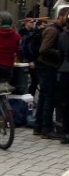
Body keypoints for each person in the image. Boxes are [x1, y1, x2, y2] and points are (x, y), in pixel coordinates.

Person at [34, 8, 66, 138]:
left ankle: (39, 126)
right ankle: (46, 129)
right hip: (47, 67)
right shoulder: (53, 30)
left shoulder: (56, 29)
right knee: (49, 97)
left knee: (43, 97)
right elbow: (44, 49)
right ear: (61, 16)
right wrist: (61, 53)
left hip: (47, 66)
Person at [0, 11, 21, 85]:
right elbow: (17, 50)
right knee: (4, 88)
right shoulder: (17, 36)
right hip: (8, 65)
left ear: (0, 22)